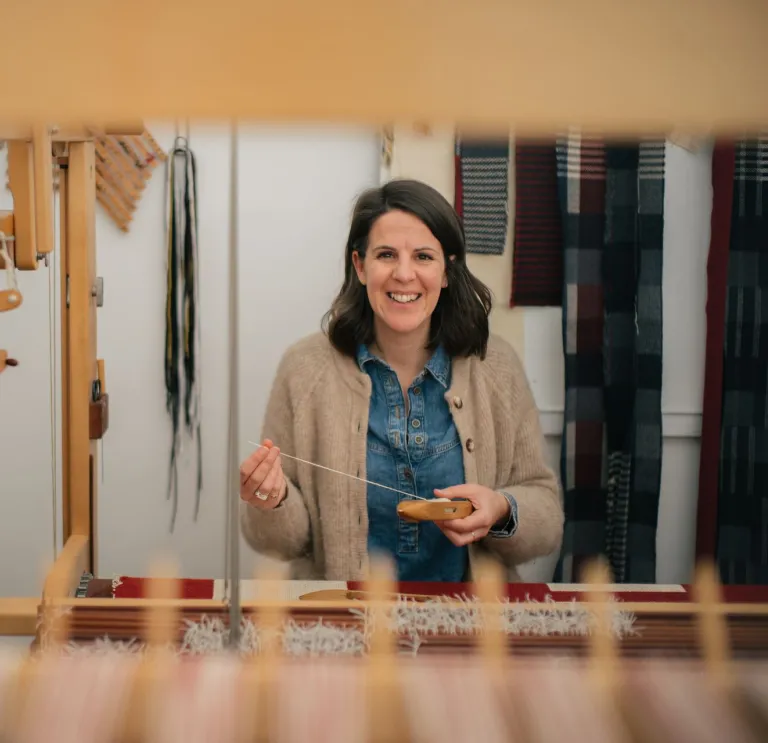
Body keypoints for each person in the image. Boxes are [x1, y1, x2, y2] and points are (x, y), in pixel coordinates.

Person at [239, 178, 563, 582]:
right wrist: (272, 498)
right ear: (360, 266)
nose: (404, 274)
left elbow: (547, 521)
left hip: (473, 629)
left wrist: (501, 509)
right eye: (386, 254)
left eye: (424, 256)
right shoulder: (304, 368)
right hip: (342, 630)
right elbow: (282, 545)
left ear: (447, 270)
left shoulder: (496, 366)